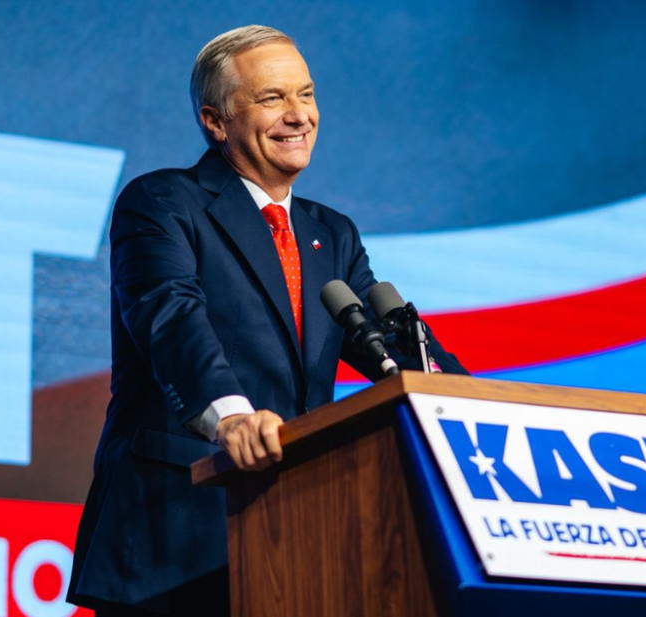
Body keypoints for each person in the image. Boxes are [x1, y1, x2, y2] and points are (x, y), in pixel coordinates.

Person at [67, 25, 467, 616]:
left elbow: (390, 347)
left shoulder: (332, 234)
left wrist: (471, 410)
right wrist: (231, 417)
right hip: (176, 534)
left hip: (297, 537)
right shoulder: (163, 203)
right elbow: (170, 318)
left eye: (306, 94)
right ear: (215, 121)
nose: (299, 115)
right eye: (272, 98)